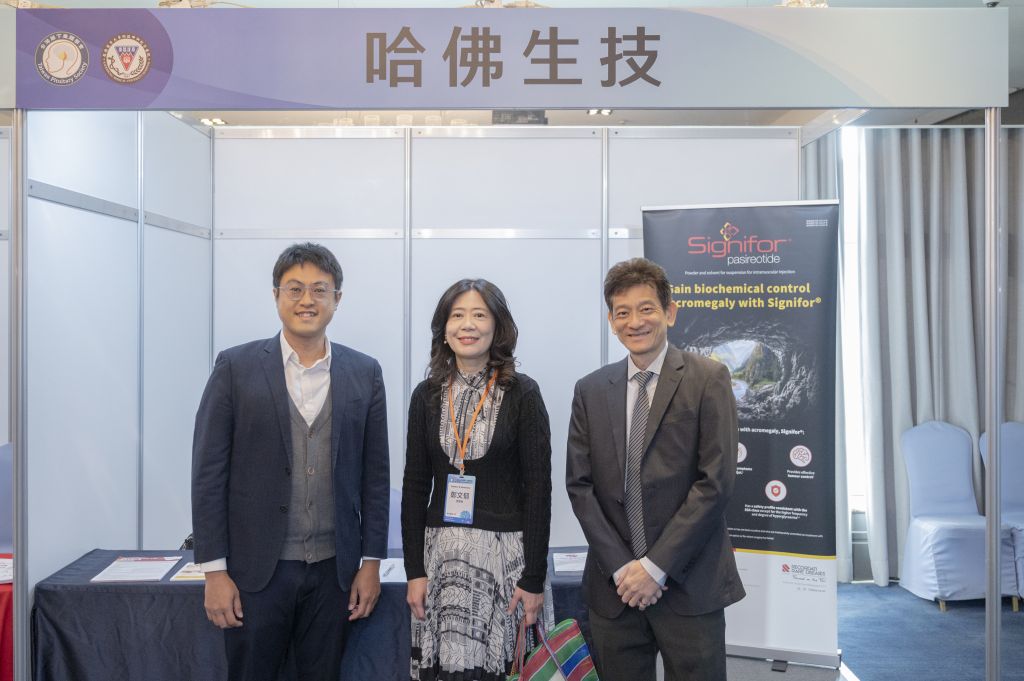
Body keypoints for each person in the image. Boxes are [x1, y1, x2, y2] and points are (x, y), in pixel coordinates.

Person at [191, 242, 390, 681]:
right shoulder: (235, 367)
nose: (307, 300)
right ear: (276, 295)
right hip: (255, 573)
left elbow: (375, 478)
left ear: (337, 298)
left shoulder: (365, 372)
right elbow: (208, 475)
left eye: (320, 289)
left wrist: (371, 563)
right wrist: (214, 572)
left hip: (335, 573)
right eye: (295, 288)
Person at [565, 257, 745, 681]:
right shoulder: (591, 389)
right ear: (611, 322)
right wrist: (624, 568)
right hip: (615, 588)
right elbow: (580, 486)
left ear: (670, 312)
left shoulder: (708, 379)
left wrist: (654, 567)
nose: (635, 322)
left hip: (689, 584)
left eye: (646, 308)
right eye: (622, 312)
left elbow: (715, 483)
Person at [402, 278, 552, 681]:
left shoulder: (523, 393)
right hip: (441, 564)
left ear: (497, 327)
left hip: (506, 566)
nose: (467, 325)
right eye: (457, 315)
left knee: (506, 671)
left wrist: (533, 579)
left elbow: (539, 490)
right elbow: (415, 487)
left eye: (479, 315)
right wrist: (414, 571)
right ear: (444, 328)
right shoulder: (426, 395)